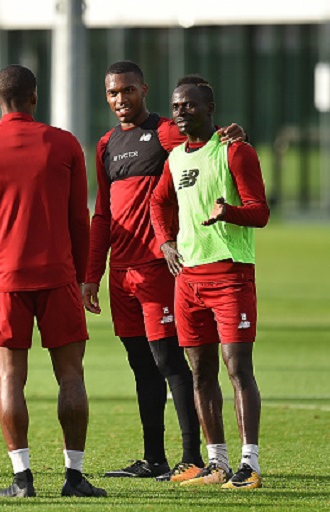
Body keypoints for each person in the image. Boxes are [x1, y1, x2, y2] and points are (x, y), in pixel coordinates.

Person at [82, 61, 244, 482]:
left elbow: (204, 142)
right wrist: (91, 274)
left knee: (171, 363)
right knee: (140, 366)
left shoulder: (166, 132)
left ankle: (191, 457)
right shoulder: (106, 145)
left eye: (128, 91)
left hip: (158, 270)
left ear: (144, 90)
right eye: (113, 93)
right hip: (121, 274)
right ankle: (153, 457)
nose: (121, 100)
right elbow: (102, 214)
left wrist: (231, 136)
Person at [0, 64, 106, 499]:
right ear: (35, 98)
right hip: (58, 278)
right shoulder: (64, 144)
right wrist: (82, 278)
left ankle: (22, 479)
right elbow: (81, 220)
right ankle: (74, 478)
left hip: (4, 283)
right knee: (71, 377)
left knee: (9, 380)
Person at [150, 75, 269, 490]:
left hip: (231, 273)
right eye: (177, 106)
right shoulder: (176, 158)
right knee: (200, 373)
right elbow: (159, 200)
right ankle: (216, 462)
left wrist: (228, 212)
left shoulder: (235, 151)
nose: (181, 113)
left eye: (190, 106)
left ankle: (249, 464)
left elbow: (260, 212)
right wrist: (165, 241)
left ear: (209, 108)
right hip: (188, 280)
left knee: (237, 369)